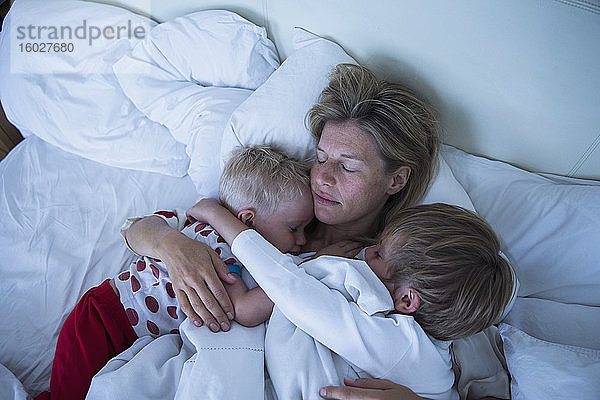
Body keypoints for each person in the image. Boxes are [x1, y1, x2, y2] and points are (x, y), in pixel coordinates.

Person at [123, 63, 441, 334]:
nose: (323, 178)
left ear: (396, 180)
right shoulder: (278, 206)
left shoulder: (377, 266)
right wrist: (172, 246)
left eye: (347, 166)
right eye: (320, 158)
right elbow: (135, 230)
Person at [35, 145, 315, 400]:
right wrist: (301, 275)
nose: (301, 240)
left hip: (135, 340)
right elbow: (242, 309)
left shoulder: (215, 228)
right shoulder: (222, 246)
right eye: (294, 228)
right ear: (248, 220)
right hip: (102, 321)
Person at [185, 200, 514, 400]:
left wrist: (218, 216)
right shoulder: (426, 341)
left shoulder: (401, 346)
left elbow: (291, 288)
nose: (367, 251)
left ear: (408, 300)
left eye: (380, 252)